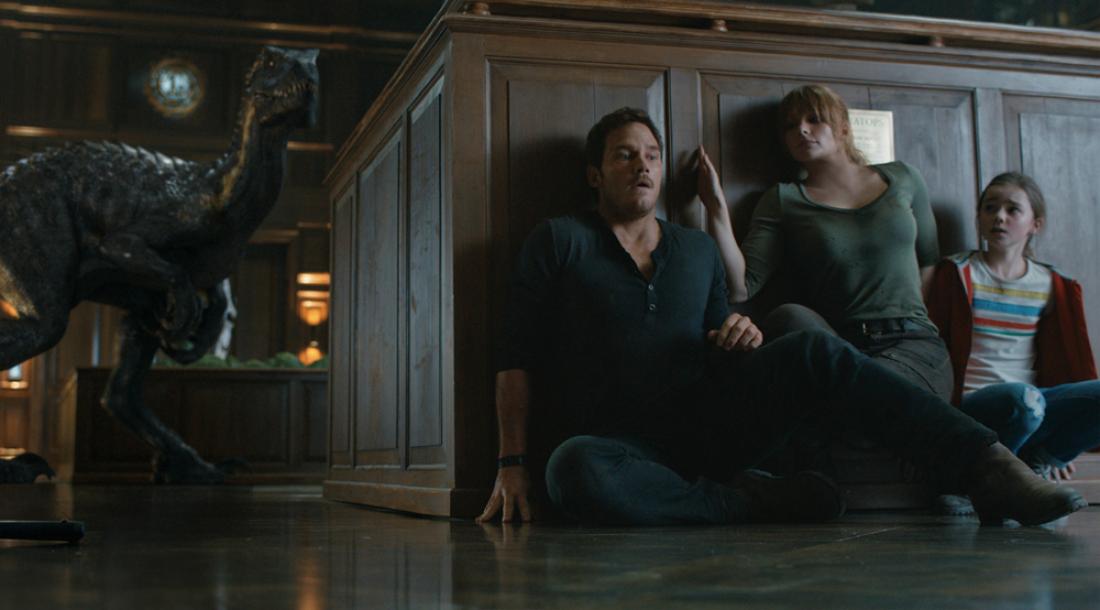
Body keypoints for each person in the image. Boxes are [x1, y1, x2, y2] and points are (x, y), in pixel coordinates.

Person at [475, 106, 1085, 528]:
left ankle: (987, 466)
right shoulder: (560, 240)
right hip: (616, 445)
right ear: (594, 173)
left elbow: (718, 338)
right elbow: (515, 355)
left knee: (811, 346)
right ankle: (753, 502)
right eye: (625, 156)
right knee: (571, 471)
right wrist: (512, 464)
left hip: (708, 426)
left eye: (653, 156)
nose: (643, 167)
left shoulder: (696, 249)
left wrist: (739, 334)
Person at [696, 84, 951, 401]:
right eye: (791, 126)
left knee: (863, 397)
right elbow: (740, 287)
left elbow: (929, 261)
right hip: (841, 346)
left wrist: (906, 319)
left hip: (912, 343)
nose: (802, 130)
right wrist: (716, 208)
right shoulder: (784, 199)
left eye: (814, 119)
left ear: (843, 127)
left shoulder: (903, 177)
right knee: (790, 317)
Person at [927, 172, 1100, 487]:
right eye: (990, 208)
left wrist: (1061, 450)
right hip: (975, 406)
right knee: (1023, 401)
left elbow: (1067, 360)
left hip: (1036, 407)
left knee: (1032, 402)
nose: (999, 217)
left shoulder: (1052, 284)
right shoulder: (957, 273)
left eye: (1013, 209)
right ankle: (991, 478)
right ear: (979, 218)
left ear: (1035, 224)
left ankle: (1039, 462)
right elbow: (930, 348)